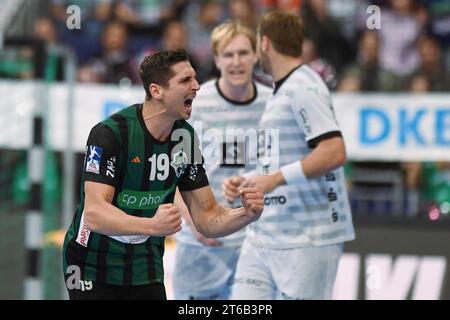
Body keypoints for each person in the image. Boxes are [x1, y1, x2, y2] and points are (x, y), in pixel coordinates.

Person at [62, 49, 264, 300]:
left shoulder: (185, 137)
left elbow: (207, 219)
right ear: (156, 90)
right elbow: (94, 214)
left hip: (145, 265)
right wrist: (151, 225)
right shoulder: (110, 134)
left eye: (194, 78)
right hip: (91, 265)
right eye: (185, 81)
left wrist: (246, 214)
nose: (197, 86)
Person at [223, 11, 355, 300]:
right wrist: (247, 180)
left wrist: (275, 180)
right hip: (266, 235)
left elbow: (333, 151)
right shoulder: (281, 91)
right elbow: (281, 161)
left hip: (309, 237)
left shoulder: (304, 86)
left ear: (265, 43)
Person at [172, 21, 272, 300]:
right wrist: (196, 223)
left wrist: (254, 184)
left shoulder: (273, 103)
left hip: (253, 246)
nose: (236, 62)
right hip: (201, 246)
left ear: (256, 56)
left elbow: (280, 169)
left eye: (243, 53)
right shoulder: (194, 106)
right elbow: (172, 179)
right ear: (216, 59)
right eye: (228, 55)